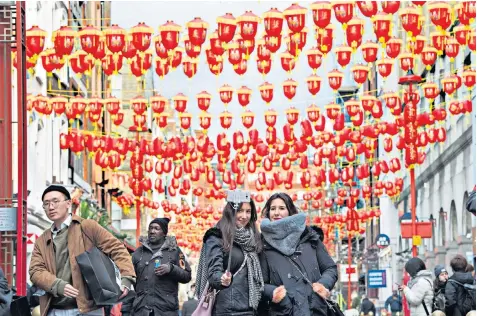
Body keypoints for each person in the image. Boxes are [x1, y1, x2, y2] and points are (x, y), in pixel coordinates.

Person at [29, 185, 136, 316]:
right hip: (54, 310)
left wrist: (127, 278)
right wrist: (57, 285)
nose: (51, 207)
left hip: (88, 309)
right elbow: (35, 271)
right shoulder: (42, 240)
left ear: (68, 203)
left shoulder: (87, 227)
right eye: (46, 204)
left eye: (55, 201)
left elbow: (117, 248)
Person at [259, 192, 338, 315]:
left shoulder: (310, 238)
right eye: (272, 209)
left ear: (290, 211)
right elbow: (258, 283)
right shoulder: (263, 245)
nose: (276, 213)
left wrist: (323, 285)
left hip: (314, 309)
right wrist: (274, 292)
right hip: (284, 311)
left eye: (281, 208)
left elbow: (330, 268)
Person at [195, 199, 264, 316]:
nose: (244, 216)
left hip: (252, 309)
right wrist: (222, 279)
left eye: (248, 211)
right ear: (230, 212)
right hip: (227, 310)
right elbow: (213, 273)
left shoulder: (254, 237)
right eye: (240, 211)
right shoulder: (217, 236)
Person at [131, 217, 192, 316]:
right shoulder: (139, 252)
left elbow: (187, 275)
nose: (152, 231)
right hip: (141, 310)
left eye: (156, 228)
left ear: (164, 233)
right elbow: (130, 280)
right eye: (150, 228)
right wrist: (125, 311)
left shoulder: (175, 251)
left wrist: (171, 269)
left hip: (166, 311)